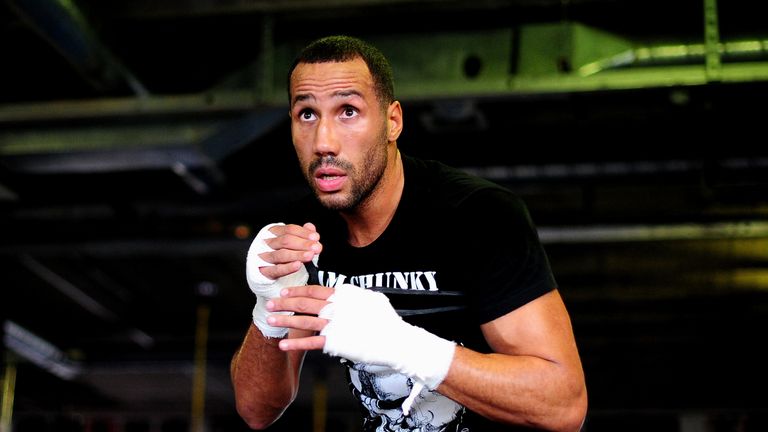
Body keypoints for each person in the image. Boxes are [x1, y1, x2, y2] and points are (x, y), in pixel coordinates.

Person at [230, 34, 588, 431]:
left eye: (348, 111)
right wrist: (268, 309)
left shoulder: (477, 215)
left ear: (392, 121)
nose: (324, 142)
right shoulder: (305, 233)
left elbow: (562, 405)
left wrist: (405, 346)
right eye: (307, 115)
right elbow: (256, 411)